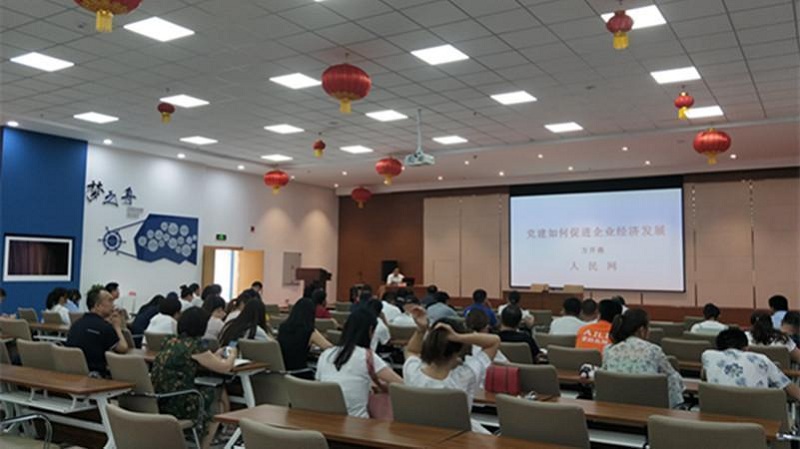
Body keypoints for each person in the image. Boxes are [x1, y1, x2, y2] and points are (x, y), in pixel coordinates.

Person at [403, 307, 500, 433]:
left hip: (420, 435)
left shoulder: (413, 371)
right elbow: (494, 341)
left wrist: (421, 330)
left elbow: (412, 350)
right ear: (459, 348)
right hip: (460, 437)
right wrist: (458, 337)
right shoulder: (466, 375)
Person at [151, 307, 236, 449]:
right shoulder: (195, 346)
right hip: (178, 402)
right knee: (216, 399)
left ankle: (215, 434)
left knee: (216, 393)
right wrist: (233, 354)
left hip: (159, 398)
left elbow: (199, 359)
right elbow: (225, 367)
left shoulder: (170, 340)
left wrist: (214, 355)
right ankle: (206, 443)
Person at [316, 308, 403, 417]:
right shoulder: (367, 356)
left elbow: (321, 385)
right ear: (370, 330)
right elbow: (402, 384)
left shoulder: (326, 354)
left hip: (326, 418)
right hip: (357, 421)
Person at [603, 309, 684, 407]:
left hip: (615, 405)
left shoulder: (609, 350)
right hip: (649, 407)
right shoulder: (653, 350)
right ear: (641, 330)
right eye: (649, 327)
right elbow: (672, 378)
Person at [702, 328, 800, 401]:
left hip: (718, 415)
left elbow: (704, 376)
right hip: (757, 417)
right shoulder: (761, 360)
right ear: (746, 348)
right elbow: (790, 388)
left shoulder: (708, 356)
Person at [66, 288, 129, 375]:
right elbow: (123, 348)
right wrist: (117, 327)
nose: (113, 305)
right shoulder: (105, 327)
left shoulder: (76, 324)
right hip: (96, 375)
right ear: (97, 305)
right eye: (110, 301)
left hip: (72, 373)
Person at [277, 298, 333, 378]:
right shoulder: (309, 331)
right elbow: (330, 348)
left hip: (284, 375)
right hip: (302, 374)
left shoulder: (282, 328)